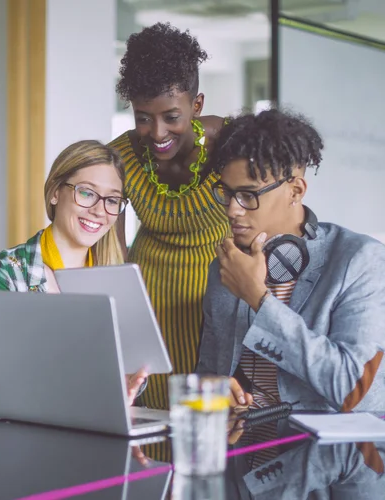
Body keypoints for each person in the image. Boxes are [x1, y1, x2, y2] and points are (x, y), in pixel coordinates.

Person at [196, 109, 385, 413]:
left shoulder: (360, 261)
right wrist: (213, 389)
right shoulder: (226, 266)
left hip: (335, 454)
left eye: (249, 195)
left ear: (295, 191)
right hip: (245, 448)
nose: (232, 210)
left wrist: (259, 299)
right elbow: (209, 374)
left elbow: (357, 393)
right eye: (226, 193)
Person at [110, 22, 231, 409]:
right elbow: (114, 255)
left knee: (207, 431)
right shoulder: (123, 156)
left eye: (171, 116)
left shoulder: (232, 146)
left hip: (215, 311)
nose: (156, 131)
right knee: (152, 431)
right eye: (143, 117)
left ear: (197, 106)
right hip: (148, 313)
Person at [0, 139, 148, 405]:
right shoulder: (9, 270)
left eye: (112, 200)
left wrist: (127, 383)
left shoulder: (118, 280)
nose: (100, 210)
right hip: (16, 433)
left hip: (94, 426)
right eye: (87, 193)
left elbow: (133, 370)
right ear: (55, 192)